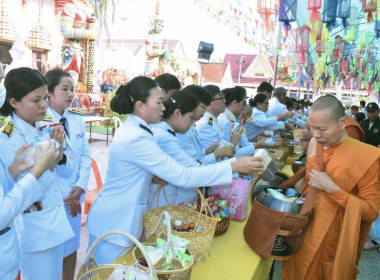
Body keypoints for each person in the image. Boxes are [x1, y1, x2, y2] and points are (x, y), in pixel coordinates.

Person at [86, 77, 264, 265]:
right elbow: (185, 175)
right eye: (158, 102)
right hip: (117, 220)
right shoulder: (137, 137)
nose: (164, 107)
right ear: (140, 105)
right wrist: (232, 166)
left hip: (121, 217)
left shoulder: (139, 129)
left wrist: (153, 175)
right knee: (106, 273)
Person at [282, 95, 380, 280]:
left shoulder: (366, 157)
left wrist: (332, 189)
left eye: (322, 129)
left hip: (332, 242)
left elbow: (371, 212)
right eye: (312, 128)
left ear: (342, 123)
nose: (316, 134)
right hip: (302, 234)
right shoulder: (314, 144)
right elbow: (307, 190)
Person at [0, 67, 74, 279]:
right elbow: (21, 190)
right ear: (14, 102)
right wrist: (48, 165)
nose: (44, 105)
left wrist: (59, 155)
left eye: (45, 98)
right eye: (35, 100)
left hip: (54, 220)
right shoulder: (7, 139)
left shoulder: (46, 127)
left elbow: (66, 172)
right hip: (34, 229)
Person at [41, 69, 91, 280]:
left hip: (74, 196)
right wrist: (67, 195)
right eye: (64, 89)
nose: (71, 94)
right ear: (49, 92)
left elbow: (86, 156)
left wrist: (79, 187)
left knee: (71, 246)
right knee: (51, 252)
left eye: (72, 89)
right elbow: (44, 167)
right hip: (55, 199)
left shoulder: (76, 119)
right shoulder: (40, 122)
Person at [218, 86, 269, 156]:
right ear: (235, 103)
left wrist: (258, 144)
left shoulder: (228, 118)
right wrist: (257, 145)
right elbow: (233, 152)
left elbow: (243, 144)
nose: (243, 107)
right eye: (243, 103)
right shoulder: (229, 122)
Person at [60, 0, 96, 87]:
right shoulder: (70, 6)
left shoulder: (87, 8)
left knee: (85, 83)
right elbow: (65, 31)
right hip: (72, 48)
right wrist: (89, 34)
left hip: (86, 49)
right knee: (71, 79)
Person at [196, 85, 241, 152]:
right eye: (221, 98)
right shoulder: (207, 125)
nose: (225, 101)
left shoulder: (213, 120)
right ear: (210, 102)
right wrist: (233, 143)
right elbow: (215, 156)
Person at [144, 2, 169, 78]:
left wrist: (165, 54)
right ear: (153, 24)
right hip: (151, 64)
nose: (161, 27)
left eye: (162, 25)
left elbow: (165, 53)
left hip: (158, 64)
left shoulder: (160, 39)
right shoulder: (150, 37)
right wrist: (162, 51)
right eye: (159, 24)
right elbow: (149, 52)